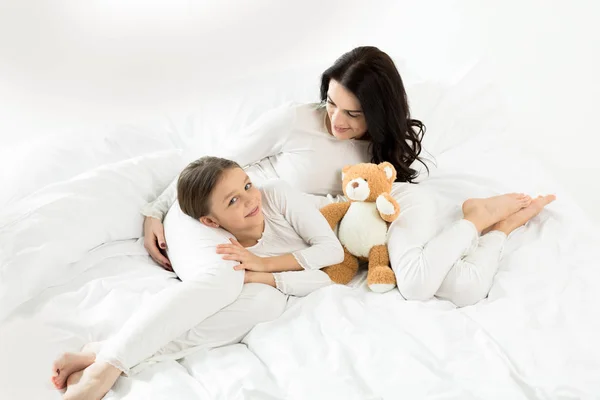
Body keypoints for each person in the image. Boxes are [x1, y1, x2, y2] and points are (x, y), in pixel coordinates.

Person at [143, 45, 555, 305]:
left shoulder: (380, 145)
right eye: (331, 103)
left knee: (415, 286)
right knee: (462, 288)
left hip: (387, 214)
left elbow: (388, 191)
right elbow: (215, 164)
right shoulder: (294, 121)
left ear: (376, 113)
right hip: (346, 237)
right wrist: (156, 209)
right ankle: (499, 227)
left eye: (353, 114)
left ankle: (476, 218)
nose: (336, 121)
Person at [53, 156, 343, 399]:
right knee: (227, 277)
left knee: (267, 303)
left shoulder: (276, 195)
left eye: (247, 185)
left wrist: (263, 270)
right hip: (188, 219)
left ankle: (106, 351)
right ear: (212, 221)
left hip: (231, 237)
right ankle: (105, 368)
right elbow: (193, 173)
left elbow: (332, 253)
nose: (249, 199)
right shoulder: (207, 222)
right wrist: (154, 211)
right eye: (234, 200)